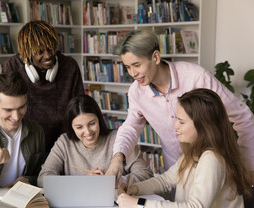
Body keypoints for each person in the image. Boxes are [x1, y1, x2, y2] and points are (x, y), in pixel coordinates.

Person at [105, 29, 254, 185]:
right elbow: (130, 128)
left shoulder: (197, 77)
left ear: (155, 57)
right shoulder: (136, 92)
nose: (133, 73)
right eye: (127, 67)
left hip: (213, 171)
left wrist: (248, 165)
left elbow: (243, 117)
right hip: (176, 173)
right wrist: (117, 158)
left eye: (136, 65)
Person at [117, 88, 252, 208]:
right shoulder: (194, 151)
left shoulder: (212, 158)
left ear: (203, 125)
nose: (175, 126)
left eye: (181, 122)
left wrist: (138, 204)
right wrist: (135, 189)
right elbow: (166, 180)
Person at [3, 20, 84, 154]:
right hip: (25, 143)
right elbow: (6, 110)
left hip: (63, 142)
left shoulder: (70, 66)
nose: (48, 55)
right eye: (40, 52)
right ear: (27, 53)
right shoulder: (13, 66)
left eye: (51, 48)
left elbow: (78, 108)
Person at [37, 95, 153, 188]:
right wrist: (84, 181)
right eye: (79, 127)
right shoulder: (64, 142)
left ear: (99, 119)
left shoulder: (120, 139)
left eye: (92, 124)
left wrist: (110, 180)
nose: (87, 132)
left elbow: (146, 176)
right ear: (71, 127)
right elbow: (43, 178)